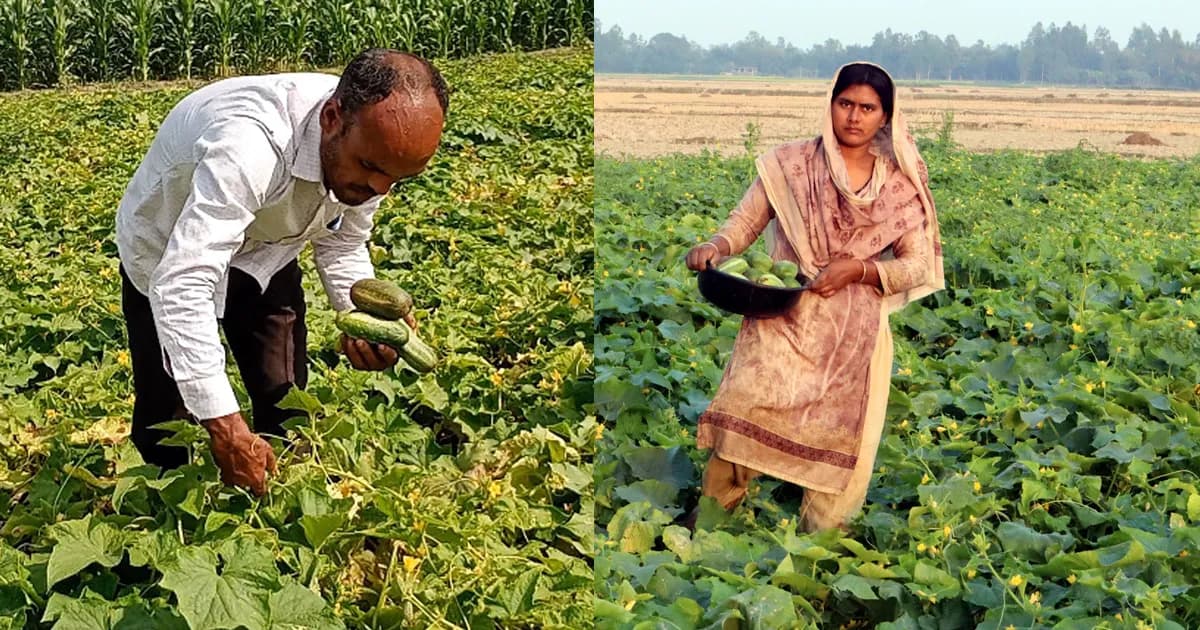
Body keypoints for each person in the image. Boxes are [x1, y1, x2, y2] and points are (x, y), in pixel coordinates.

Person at [116, 48, 448, 496]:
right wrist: (226, 428)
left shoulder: (376, 143)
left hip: (267, 249)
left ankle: (278, 496)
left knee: (285, 393)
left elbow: (343, 239)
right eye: (371, 168)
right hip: (170, 251)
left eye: (397, 178)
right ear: (332, 117)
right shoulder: (251, 146)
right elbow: (186, 281)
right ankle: (163, 505)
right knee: (168, 409)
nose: (379, 189)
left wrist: (363, 316)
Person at [684, 62, 944, 532]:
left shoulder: (900, 185)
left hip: (855, 334)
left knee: (841, 438)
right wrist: (715, 247)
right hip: (783, 314)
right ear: (830, 105)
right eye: (846, 103)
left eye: (868, 108)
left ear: (885, 117)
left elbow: (917, 265)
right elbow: (744, 223)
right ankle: (709, 525)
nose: (854, 116)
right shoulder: (792, 164)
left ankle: (818, 549)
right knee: (744, 405)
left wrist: (860, 270)